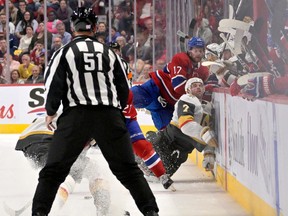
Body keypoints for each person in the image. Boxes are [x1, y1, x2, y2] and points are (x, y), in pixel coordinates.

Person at [31, 7, 159, 216]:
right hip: (108, 116)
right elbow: (124, 90)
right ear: (93, 28)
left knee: (53, 172)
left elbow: (54, 86)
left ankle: (39, 213)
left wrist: (51, 111)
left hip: (75, 117)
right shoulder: (109, 52)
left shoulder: (64, 53)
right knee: (128, 171)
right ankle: (151, 211)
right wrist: (113, 114)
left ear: (73, 27)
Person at [15, 114, 122, 216]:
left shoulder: (81, 108)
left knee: (67, 171)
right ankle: (104, 210)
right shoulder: (99, 120)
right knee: (94, 171)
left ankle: (42, 210)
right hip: (49, 140)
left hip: (29, 142)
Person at [109, 41, 175, 190]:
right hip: (106, 112)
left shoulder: (125, 66)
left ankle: (162, 175)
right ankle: (74, 167)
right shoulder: (100, 67)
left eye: (116, 50)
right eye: (111, 51)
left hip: (125, 111)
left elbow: (129, 88)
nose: (114, 54)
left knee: (141, 144)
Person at [131, 37, 209, 130]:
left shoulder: (204, 70)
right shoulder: (181, 58)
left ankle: (154, 139)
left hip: (168, 105)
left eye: (201, 51)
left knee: (167, 137)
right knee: (127, 98)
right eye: (196, 50)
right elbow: (178, 86)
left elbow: (203, 90)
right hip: (156, 89)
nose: (198, 54)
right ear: (190, 50)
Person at [146, 77, 218, 176]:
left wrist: (208, 155)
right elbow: (186, 125)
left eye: (200, 85)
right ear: (188, 90)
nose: (198, 88)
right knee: (154, 154)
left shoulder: (207, 107)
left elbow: (208, 134)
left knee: (167, 171)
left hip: (185, 147)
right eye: (194, 86)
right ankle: (148, 142)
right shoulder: (187, 98)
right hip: (170, 138)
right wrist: (204, 133)